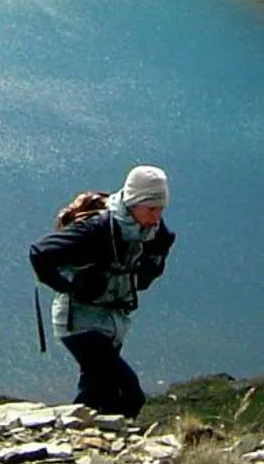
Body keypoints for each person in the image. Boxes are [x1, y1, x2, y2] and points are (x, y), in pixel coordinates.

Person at [28, 164, 175, 419]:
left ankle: (83, 442)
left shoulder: (154, 234)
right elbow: (40, 253)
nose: (157, 217)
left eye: (161, 209)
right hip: (79, 323)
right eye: (151, 209)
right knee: (129, 393)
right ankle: (103, 442)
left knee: (97, 393)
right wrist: (72, 285)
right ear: (132, 203)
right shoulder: (96, 229)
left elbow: (142, 281)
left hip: (113, 323)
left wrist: (154, 261)